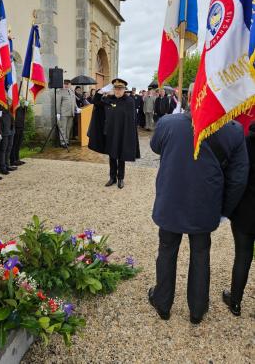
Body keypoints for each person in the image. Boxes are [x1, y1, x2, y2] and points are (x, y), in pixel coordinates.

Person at [148, 113, 249, 324]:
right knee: (200, 254)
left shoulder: (169, 123)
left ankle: (163, 303)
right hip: (205, 203)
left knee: (167, 250)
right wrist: (224, 210)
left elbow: (156, 146)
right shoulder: (233, 130)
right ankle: (197, 309)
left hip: (171, 200)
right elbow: (238, 178)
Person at [223, 122, 255, 316]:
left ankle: (235, 301)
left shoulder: (245, 143)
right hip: (246, 210)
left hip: (246, 210)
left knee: (243, 255)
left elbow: (236, 176)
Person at [88, 78, 140, 189]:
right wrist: (101, 91)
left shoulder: (129, 101)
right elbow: (95, 101)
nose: (117, 91)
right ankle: (112, 178)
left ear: (124, 89)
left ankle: (121, 178)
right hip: (110, 133)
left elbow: (131, 121)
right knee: (112, 155)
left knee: (121, 156)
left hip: (122, 134)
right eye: (115, 88)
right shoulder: (109, 99)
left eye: (120, 89)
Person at [56, 80, 77, 147]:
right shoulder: (60, 92)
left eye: (69, 84)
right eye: (67, 84)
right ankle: (63, 142)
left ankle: (67, 141)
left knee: (68, 128)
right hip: (63, 113)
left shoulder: (72, 92)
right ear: (65, 84)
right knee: (63, 128)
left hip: (71, 113)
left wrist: (77, 108)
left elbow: (74, 102)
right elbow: (58, 103)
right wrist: (58, 113)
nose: (68, 86)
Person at [0, 107, 17, 174]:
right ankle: (2, 167)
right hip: (4, 131)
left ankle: (7, 164)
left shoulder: (9, 109)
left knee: (9, 148)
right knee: (3, 149)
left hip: (10, 129)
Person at [10, 101, 28, 166]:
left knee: (18, 144)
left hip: (21, 127)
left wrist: (26, 106)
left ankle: (17, 158)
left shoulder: (21, 108)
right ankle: (13, 160)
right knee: (14, 144)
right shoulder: (14, 107)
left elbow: (24, 114)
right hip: (16, 127)